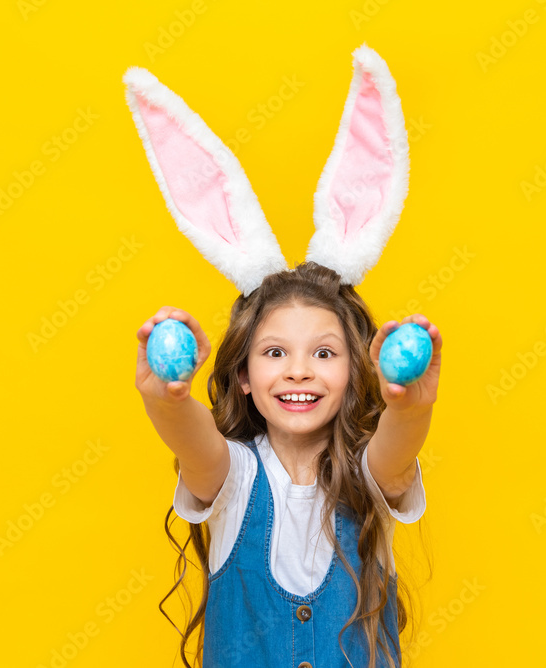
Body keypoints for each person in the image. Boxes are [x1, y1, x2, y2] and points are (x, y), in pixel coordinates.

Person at [125, 44, 440, 668]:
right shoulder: (233, 478)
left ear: (355, 371)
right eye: (275, 352)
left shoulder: (369, 476)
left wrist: (410, 403)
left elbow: (398, 450)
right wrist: (166, 396)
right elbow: (193, 441)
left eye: (323, 352)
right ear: (243, 375)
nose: (299, 369)